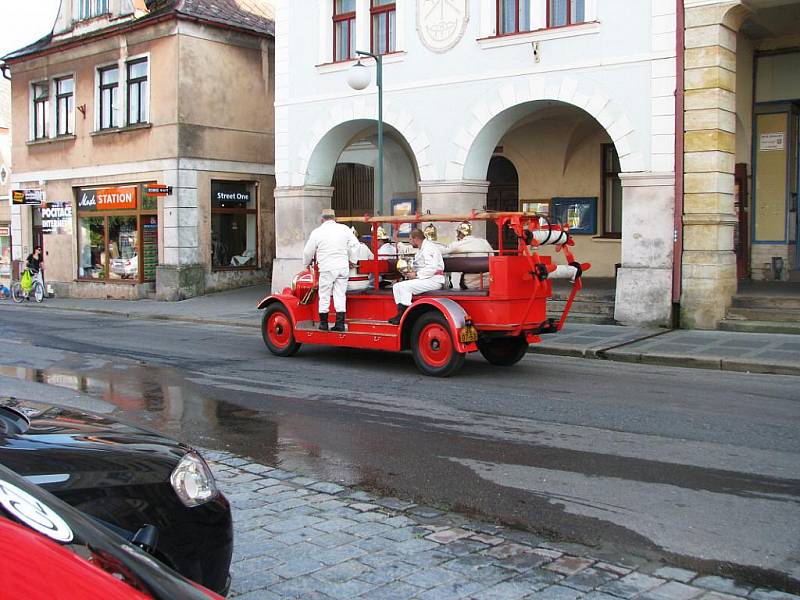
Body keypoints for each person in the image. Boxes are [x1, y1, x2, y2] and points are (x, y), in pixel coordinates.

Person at [303, 208, 359, 331]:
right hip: (342, 267)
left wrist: (306, 263)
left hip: (327, 267)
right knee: (340, 294)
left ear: (322, 219)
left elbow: (307, 252)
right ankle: (339, 324)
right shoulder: (344, 229)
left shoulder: (317, 232)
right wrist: (352, 261)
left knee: (324, 294)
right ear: (334, 218)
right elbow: (355, 245)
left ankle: (324, 323)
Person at [388, 229, 445, 325]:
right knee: (396, 286)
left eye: (410, 239)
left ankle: (406, 315)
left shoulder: (428, 248)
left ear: (416, 239)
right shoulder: (422, 248)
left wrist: (416, 275)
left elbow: (432, 267)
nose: (410, 242)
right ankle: (401, 312)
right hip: (427, 278)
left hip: (434, 280)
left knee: (403, 287)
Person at [443, 221, 494, 290]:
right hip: (490, 281)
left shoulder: (457, 245)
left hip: (469, 283)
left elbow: (444, 253)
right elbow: (492, 256)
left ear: (460, 233)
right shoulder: (484, 242)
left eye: (458, 233)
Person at [347, 227, 374, 292]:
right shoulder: (364, 247)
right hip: (365, 283)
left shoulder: (344, 248)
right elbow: (372, 259)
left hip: (349, 284)